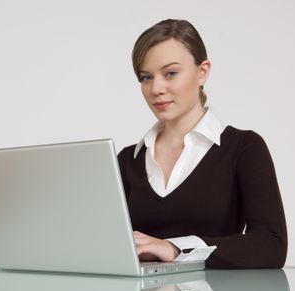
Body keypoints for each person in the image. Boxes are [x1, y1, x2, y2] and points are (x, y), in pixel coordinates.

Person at [117, 19, 287, 268]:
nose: (156, 88)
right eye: (146, 77)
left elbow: (271, 245)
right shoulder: (127, 160)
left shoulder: (244, 148)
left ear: (202, 72)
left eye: (171, 73)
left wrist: (176, 248)